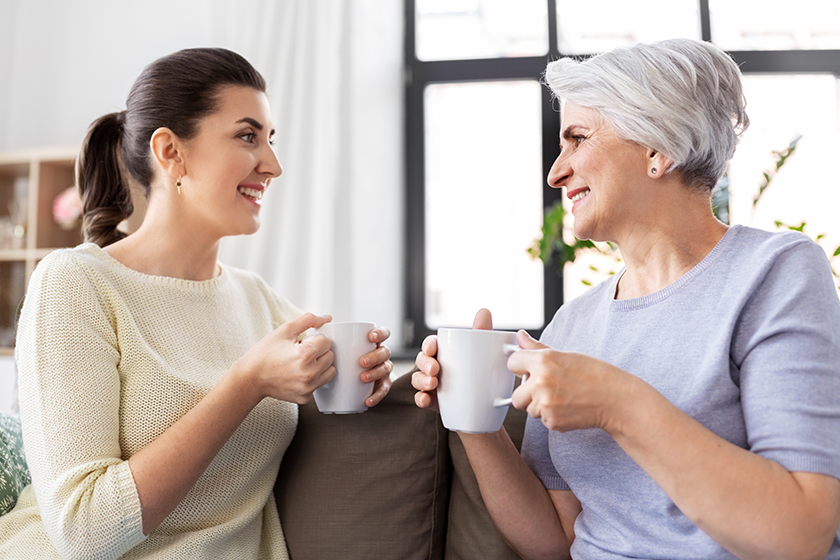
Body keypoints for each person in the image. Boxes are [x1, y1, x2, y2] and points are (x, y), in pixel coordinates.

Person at [413, 38, 840, 559]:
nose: (556, 172)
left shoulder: (775, 273)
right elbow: (556, 541)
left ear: (657, 149)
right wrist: (474, 419)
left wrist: (617, 403)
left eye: (577, 138)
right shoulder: (572, 326)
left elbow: (802, 533)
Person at [0, 48, 393, 559]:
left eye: (270, 140)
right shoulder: (76, 284)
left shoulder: (260, 302)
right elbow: (82, 533)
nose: (273, 165)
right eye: (247, 136)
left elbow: (328, 374)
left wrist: (366, 372)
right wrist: (245, 384)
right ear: (171, 152)